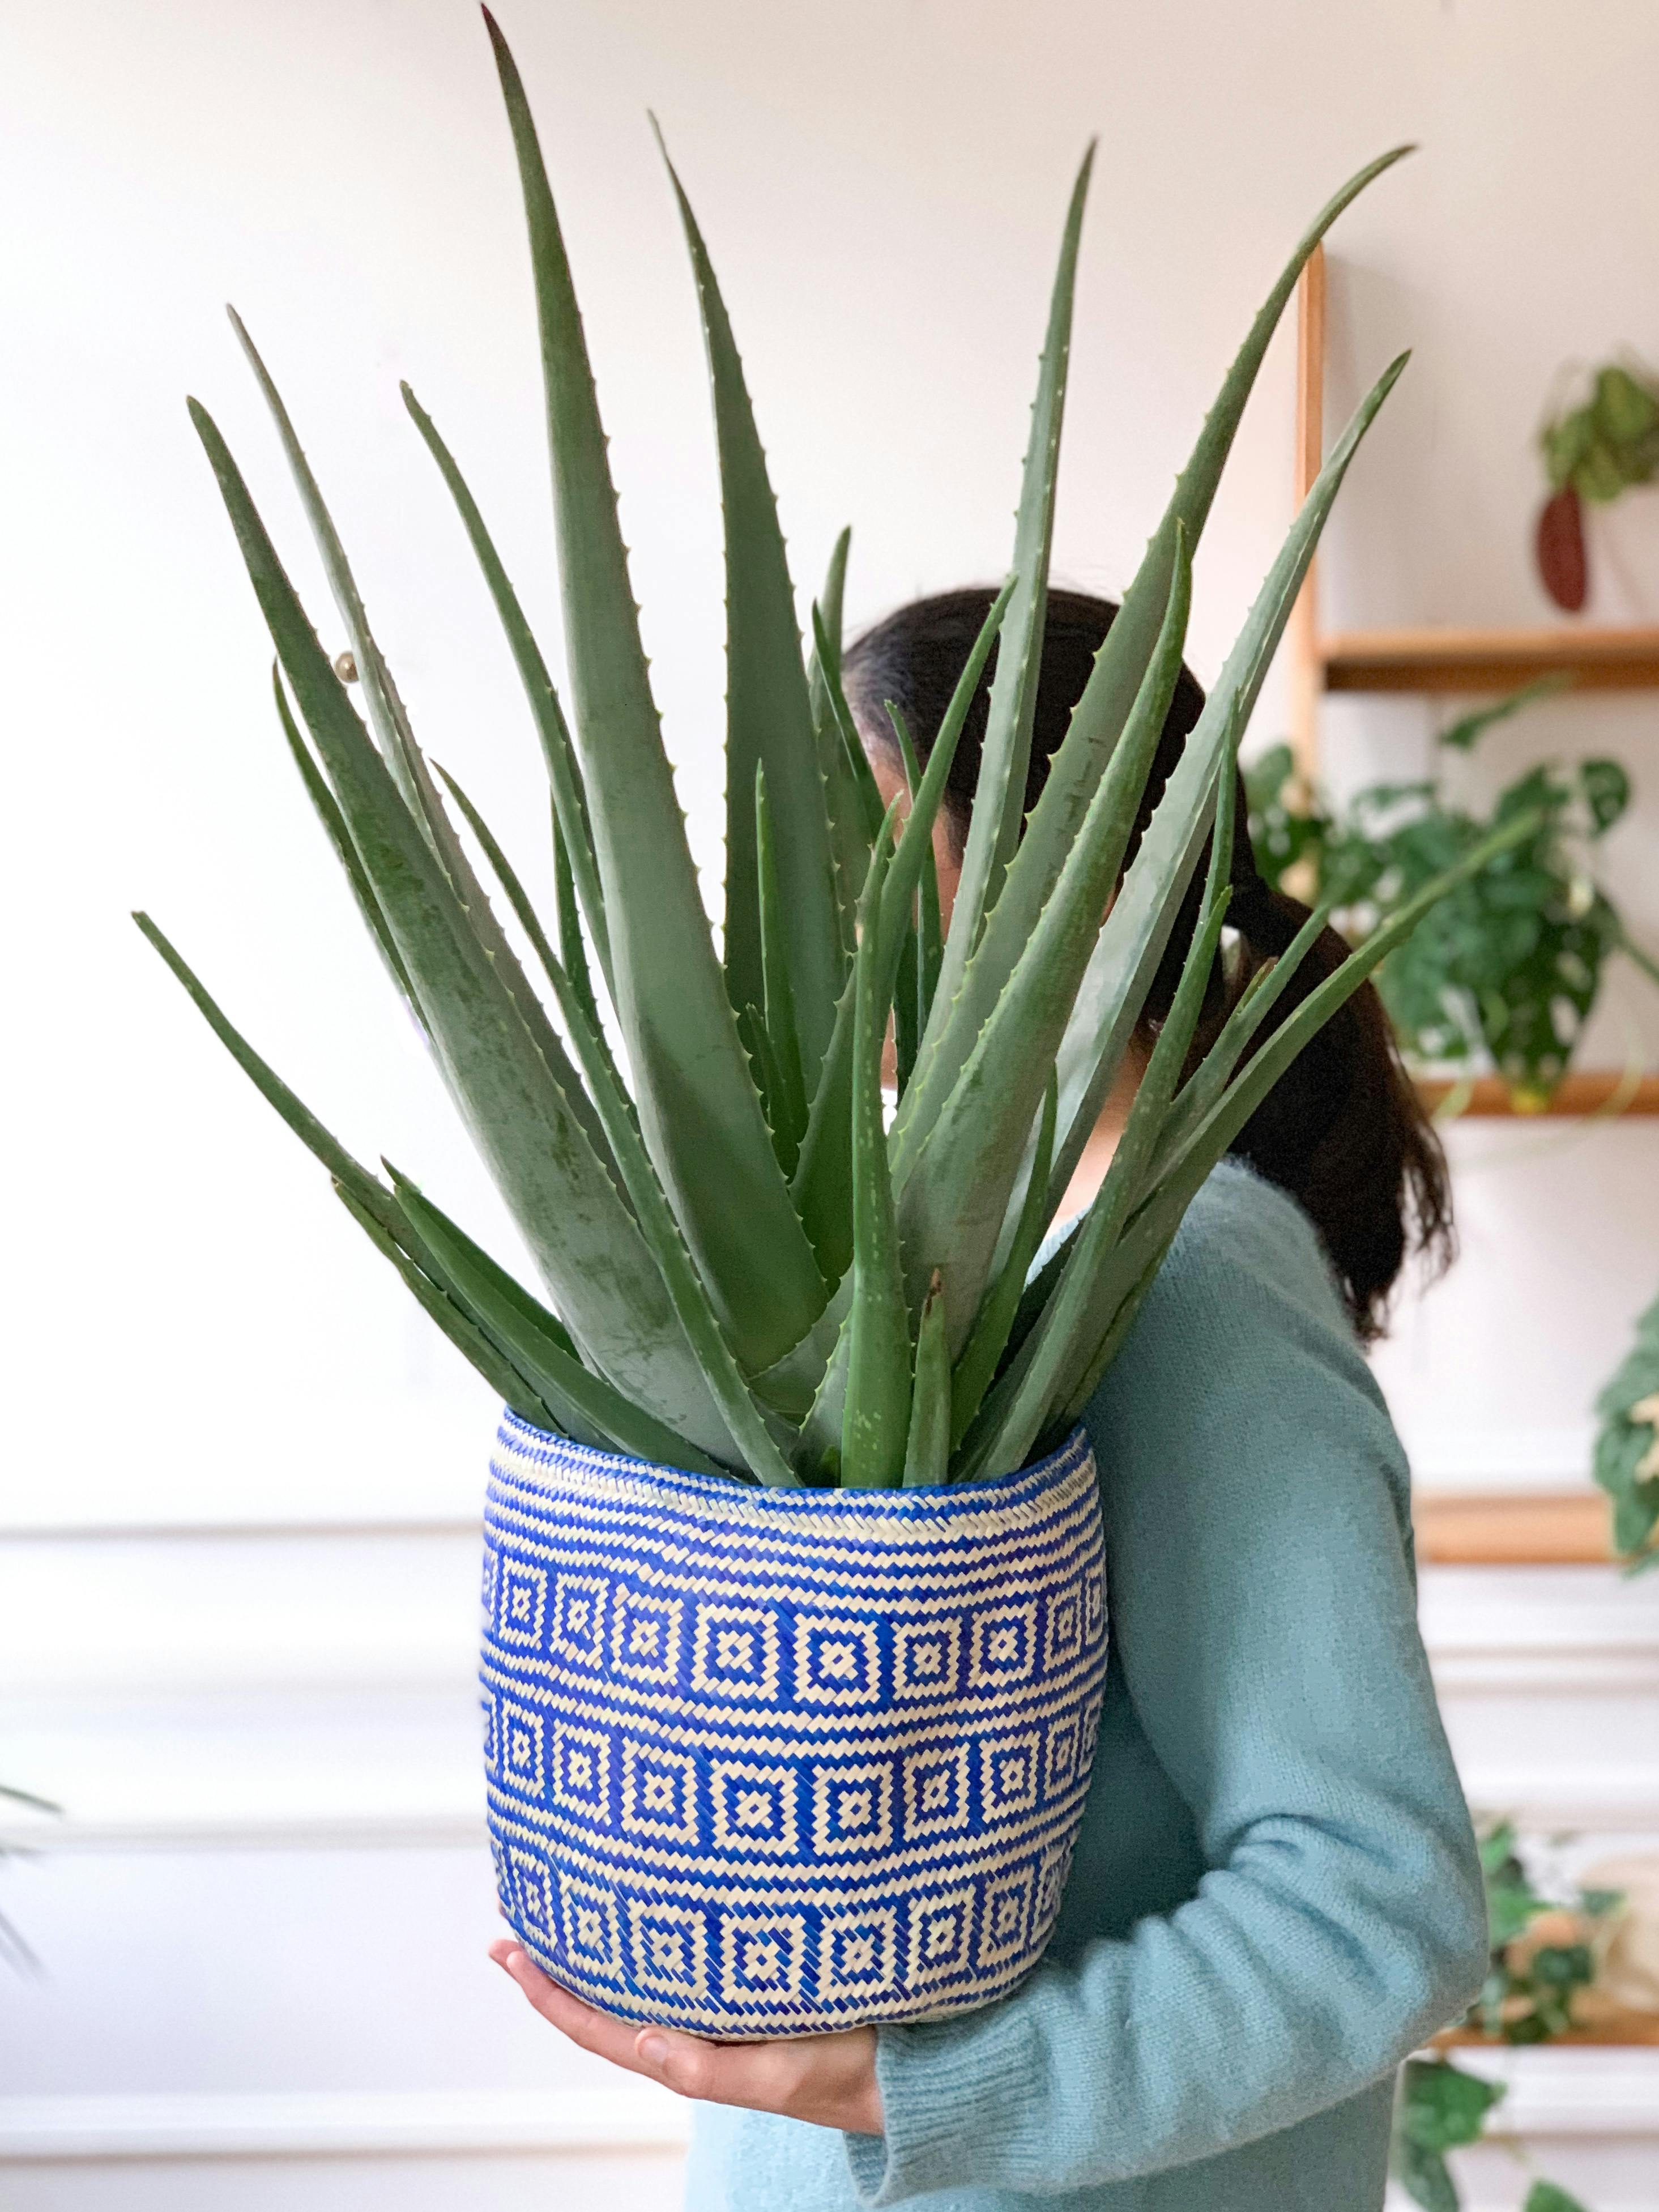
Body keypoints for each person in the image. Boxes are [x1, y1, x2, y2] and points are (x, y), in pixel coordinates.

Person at [490, 587, 1489, 2211]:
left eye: (859, 850)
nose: (802, 908)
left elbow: (1378, 1906)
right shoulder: (931, 1262)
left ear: (1068, 877)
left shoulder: (1188, 1278)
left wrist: (909, 2088)